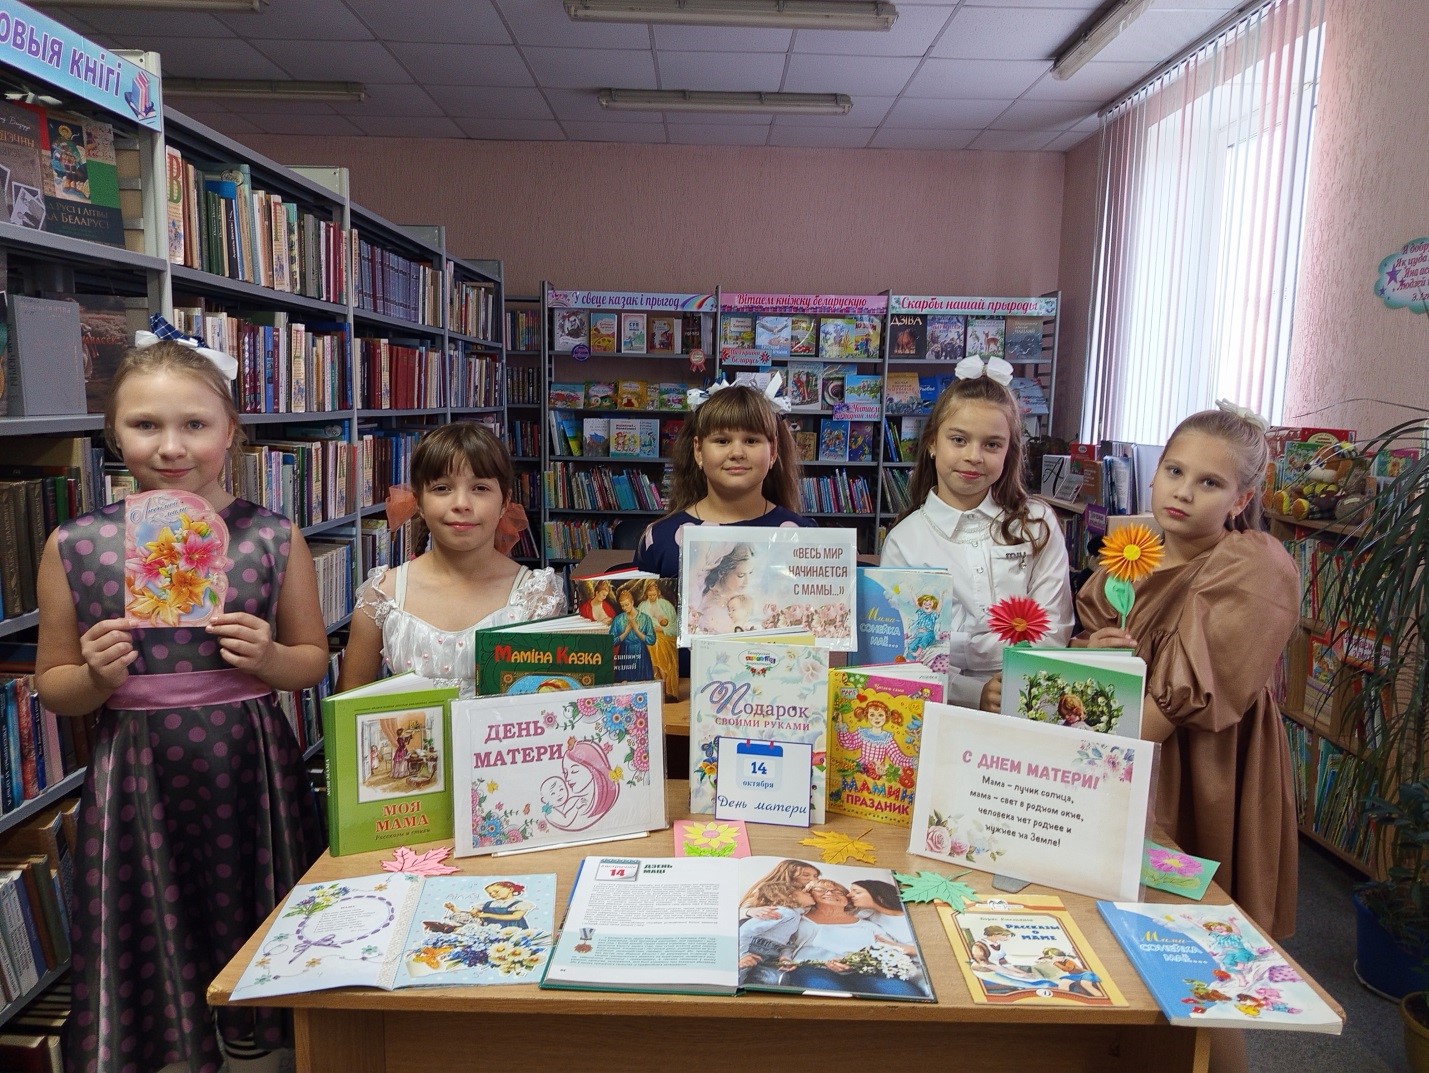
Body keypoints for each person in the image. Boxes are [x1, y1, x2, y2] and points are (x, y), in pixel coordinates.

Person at [33, 337, 327, 1073]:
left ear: (232, 430)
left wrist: (267, 656)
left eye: (195, 424)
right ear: (113, 432)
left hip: (249, 764)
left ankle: (258, 1036)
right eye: (145, 425)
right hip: (137, 773)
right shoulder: (75, 544)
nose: (171, 446)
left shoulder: (272, 536)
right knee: (155, 913)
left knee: (252, 908)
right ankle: (176, 1042)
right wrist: (95, 676)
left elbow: (310, 661)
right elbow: (54, 687)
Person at [1075, 404, 1300, 1073]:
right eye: (1173, 471)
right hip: (1119, 747)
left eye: (1209, 482)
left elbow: (1182, 695)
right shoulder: (1131, 552)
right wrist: (1093, 651)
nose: (1183, 491)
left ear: (1242, 499)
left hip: (1194, 767)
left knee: (1199, 952)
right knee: (1113, 934)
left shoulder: (1252, 564)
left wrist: (1087, 775)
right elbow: (1088, 657)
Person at [880, 368, 1074, 710]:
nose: (974, 456)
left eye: (992, 444)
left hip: (1030, 698)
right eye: (959, 440)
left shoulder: (1037, 524)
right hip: (944, 707)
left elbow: (1054, 629)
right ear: (932, 443)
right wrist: (972, 691)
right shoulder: (904, 541)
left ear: (1009, 451)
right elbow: (909, 652)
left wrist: (964, 647)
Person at [337, 422, 565, 699]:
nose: (461, 503)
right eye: (442, 488)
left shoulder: (536, 596)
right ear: (419, 502)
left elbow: (550, 699)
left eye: (480, 488)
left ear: (504, 502)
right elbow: (347, 705)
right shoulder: (383, 595)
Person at [632, 382, 814, 578]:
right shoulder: (660, 538)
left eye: (751, 440)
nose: (737, 453)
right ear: (698, 450)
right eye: (722, 441)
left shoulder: (806, 537)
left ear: (773, 451)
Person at [778, 879, 927, 998]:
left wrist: (855, 964)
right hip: (813, 969)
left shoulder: (869, 925)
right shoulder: (797, 919)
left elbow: (887, 950)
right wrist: (785, 958)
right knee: (829, 995)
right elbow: (784, 943)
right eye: (821, 890)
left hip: (865, 971)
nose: (830, 893)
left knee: (904, 993)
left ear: (846, 899)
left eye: (838, 891)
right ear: (809, 895)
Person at [690, 542, 757, 635]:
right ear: (723, 572)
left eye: (750, 573)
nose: (747, 582)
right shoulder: (703, 596)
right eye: (741, 575)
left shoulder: (743, 599)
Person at [636, 579, 680, 699]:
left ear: (658, 593)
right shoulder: (642, 606)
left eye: (654, 595)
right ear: (646, 594)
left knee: (658, 645)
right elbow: (638, 624)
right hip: (648, 636)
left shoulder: (666, 605)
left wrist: (662, 628)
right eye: (650, 595)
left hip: (664, 636)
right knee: (651, 645)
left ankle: (664, 687)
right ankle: (655, 685)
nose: (652, 597)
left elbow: (674, 627)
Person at [610, 587, 656, 681]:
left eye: (627, 605)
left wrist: (637, 630)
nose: (625, 608)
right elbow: (611, 641)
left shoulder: (645, 618)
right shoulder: (618, 619)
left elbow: (652, 640)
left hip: (641, 654)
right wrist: (625, 632)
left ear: (632, 602)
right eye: (622, 606)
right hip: (625, 654)